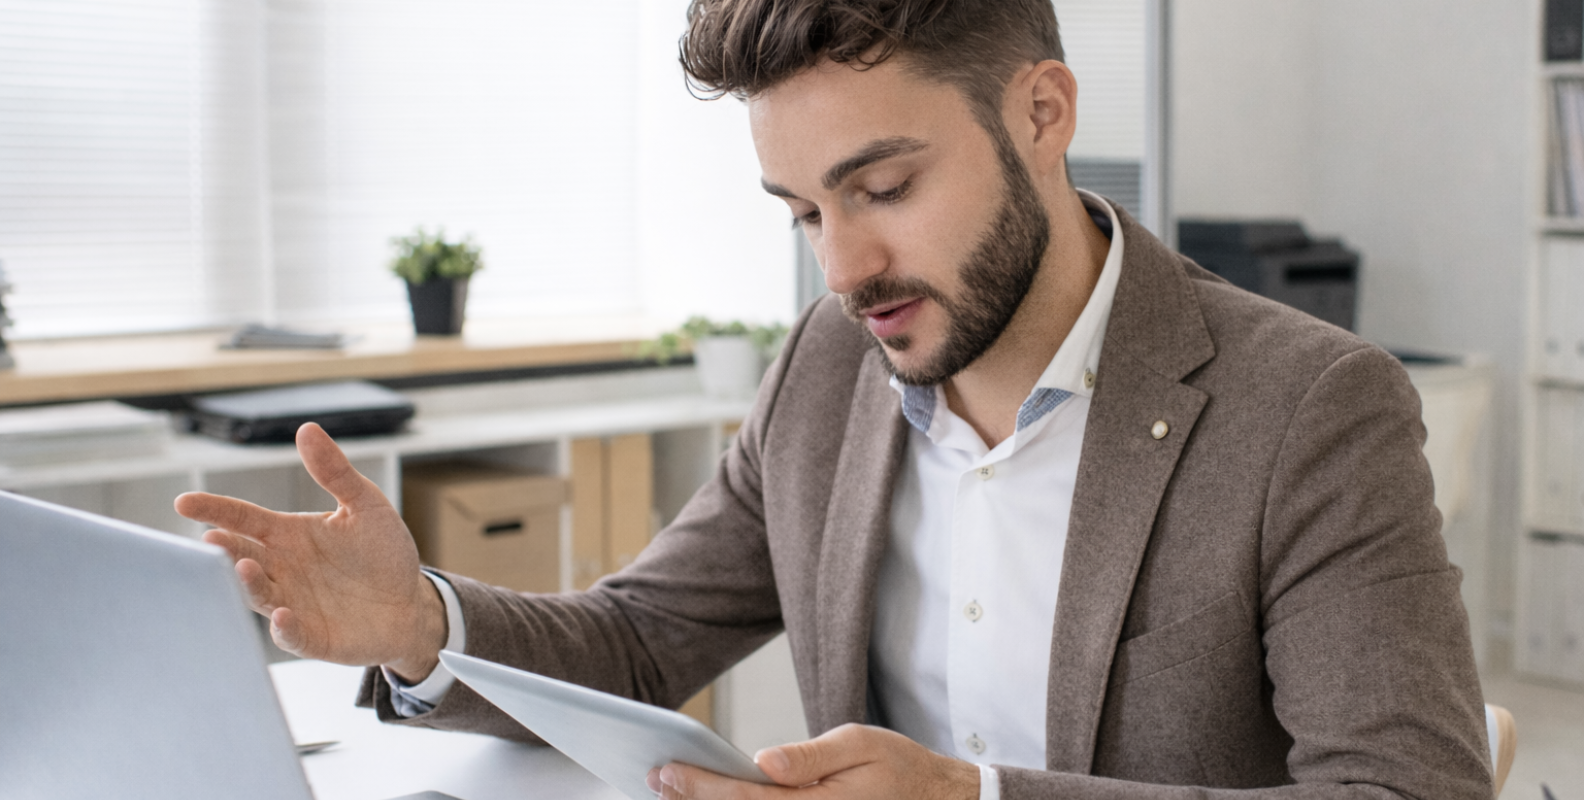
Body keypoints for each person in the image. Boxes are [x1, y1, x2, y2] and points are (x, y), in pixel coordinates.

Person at [175, 1, 1493, 797]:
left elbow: (1407, 791)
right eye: (804, 211)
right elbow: (640, 639)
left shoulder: (1310, 409)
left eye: (885, 188)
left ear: (1043, 113)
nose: (845, 268)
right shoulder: (826, 365)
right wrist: (422, 625)